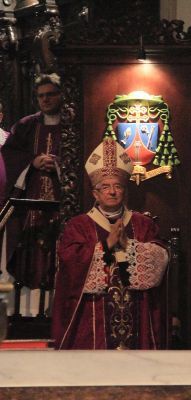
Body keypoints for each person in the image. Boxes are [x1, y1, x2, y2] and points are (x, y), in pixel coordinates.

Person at [51, 138, 169, 350]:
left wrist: (130, 247)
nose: (112, 191)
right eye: (105, 187)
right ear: (95, 193)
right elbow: (70, 265)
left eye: (117, 186)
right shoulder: (78, 226)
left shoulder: (143, 224)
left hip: (138, 317)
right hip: (92, 323)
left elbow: (160, 260)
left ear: (125, 190)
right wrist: (106, 245)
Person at [1, 73, 63, 289]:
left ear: (62, 95)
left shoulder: (74, 122)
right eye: (40, 96)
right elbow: (10, 154)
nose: (45, 100)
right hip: (30, 198)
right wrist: (33, 161)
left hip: (63, 197)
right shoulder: (27, 125)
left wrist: (58, 164)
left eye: (51, 95)